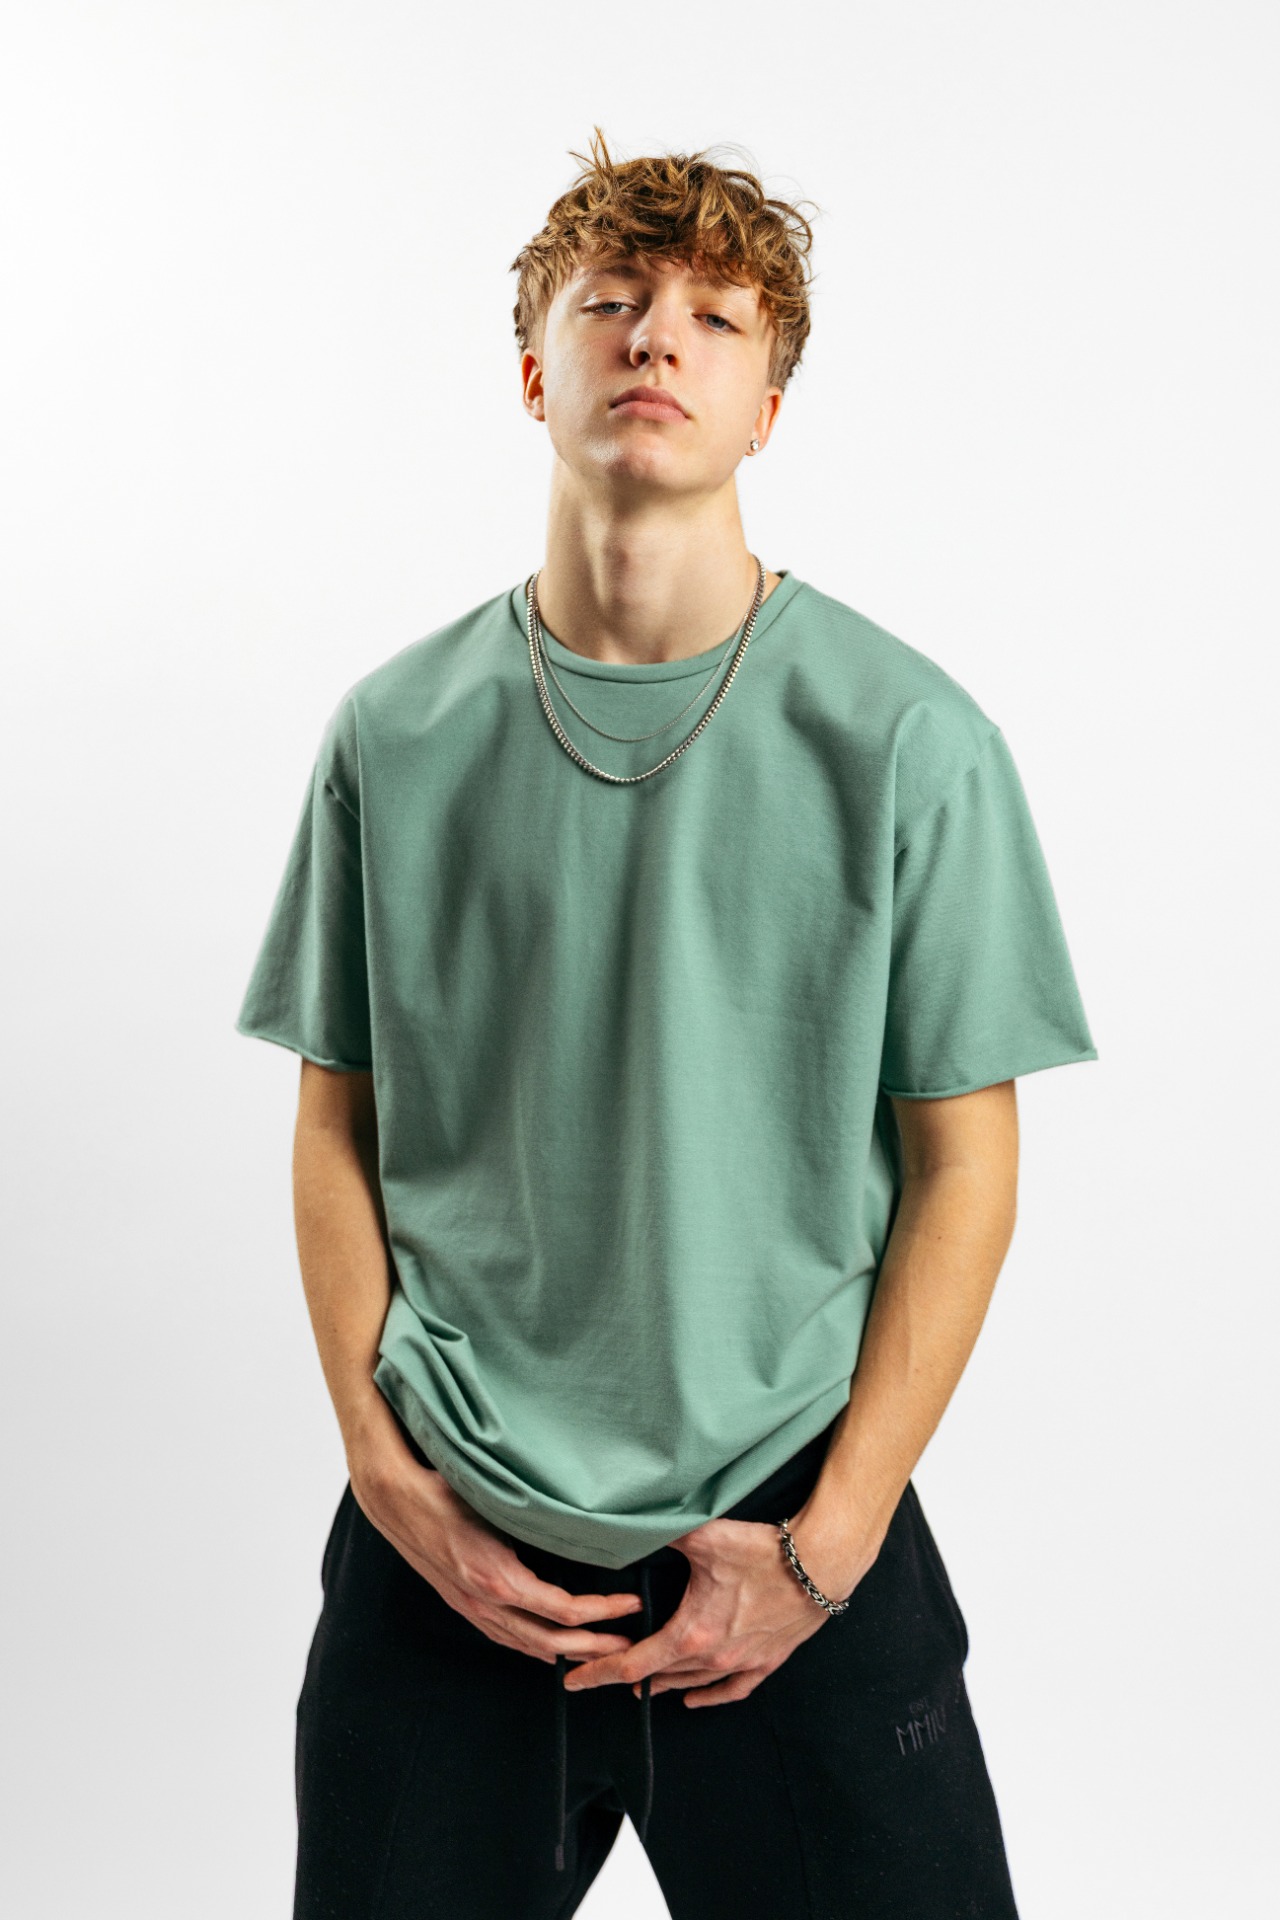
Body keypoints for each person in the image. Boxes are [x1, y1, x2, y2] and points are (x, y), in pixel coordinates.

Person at [235, 126, 1098, 1919]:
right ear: (533, 373)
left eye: (715, 317)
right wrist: (386, 1476)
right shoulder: (394, 733)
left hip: (788, 1521)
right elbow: (336, 1124)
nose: (655, 339)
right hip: (451, 1544)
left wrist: (825, 1550)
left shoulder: (911, 740)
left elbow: (967, 1169)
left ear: (767, 405)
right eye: (611, 302)